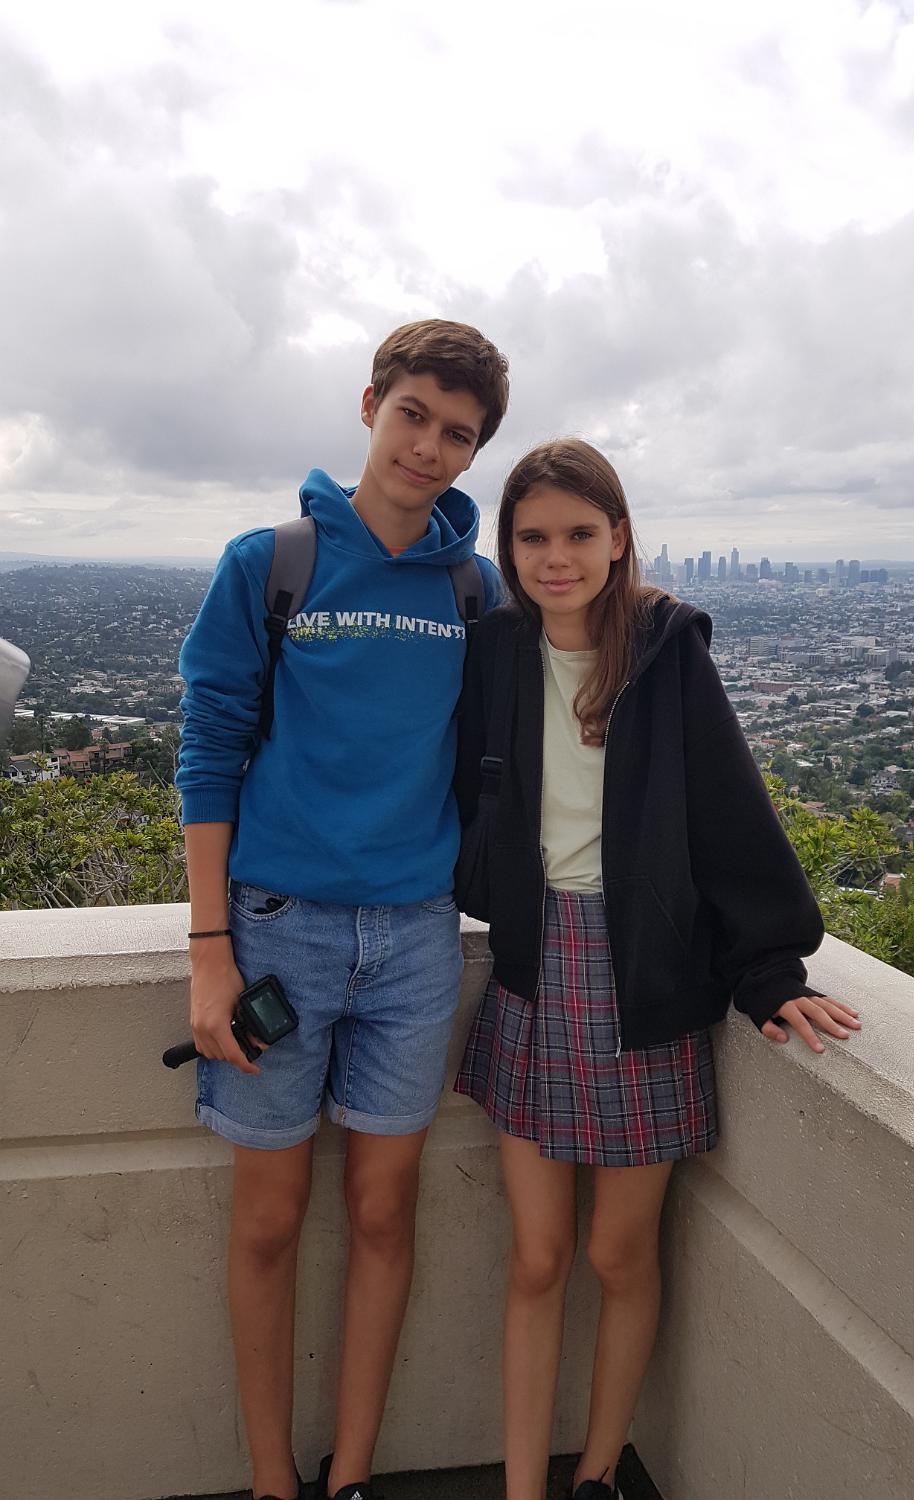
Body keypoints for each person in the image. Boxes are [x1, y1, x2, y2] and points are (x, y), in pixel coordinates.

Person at [453, 439, 861, 1500]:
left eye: (578, 534)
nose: (555, 558)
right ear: (507, 547)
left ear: (618, 538)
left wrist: (770, 971)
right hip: (532, 965)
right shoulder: (493, 650)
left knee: (617, 1257)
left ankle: (595, 1474)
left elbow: (726, 812)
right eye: (532, 537)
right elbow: (451, 789)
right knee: (537, 1257)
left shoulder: (666, 650)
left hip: (645, 972)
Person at [176, 320, 510, 1500]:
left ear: (473, 453)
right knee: (270, 1221)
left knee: (382, 1215)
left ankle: (352, 1471)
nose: (427, 446)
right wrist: (209, 949)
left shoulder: (472, 589)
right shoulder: (271, 563)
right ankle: (274, 1481)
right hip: (277, 931)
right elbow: (209, 753)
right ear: (371, 406)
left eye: (456, 433)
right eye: (412, 414)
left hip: (416, 940)